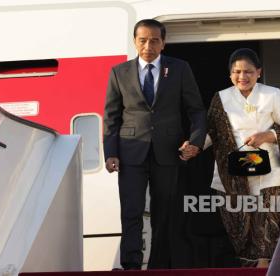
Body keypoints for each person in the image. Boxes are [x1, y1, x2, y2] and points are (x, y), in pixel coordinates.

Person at [103, 19, 207, 270]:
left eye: (154, 40)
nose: (148, 45)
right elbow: (111, 116)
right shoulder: (119, 72)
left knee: (165, 213)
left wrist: (195, 142)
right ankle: (131, 264)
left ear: (163, 43)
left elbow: (196, 110)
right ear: (135, 41)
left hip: (169, 152)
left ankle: (158, 266)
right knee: (131, 210)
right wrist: (111, 152)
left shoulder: (180, 68)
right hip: (130, 152)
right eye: (143, 40)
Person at [205, 48, 280, 268]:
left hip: (269, 171)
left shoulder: (271, 94)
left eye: (248, 71)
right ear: (230, 74)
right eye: (237, 72)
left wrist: (267, 135)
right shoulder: (222, 97)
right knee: (239, 228)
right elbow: (212, 133)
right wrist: (193, 146)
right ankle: (249, 267)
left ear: (258, 72)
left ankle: (265, 267)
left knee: (266, 225)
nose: (242, 77)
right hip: (232, 174)